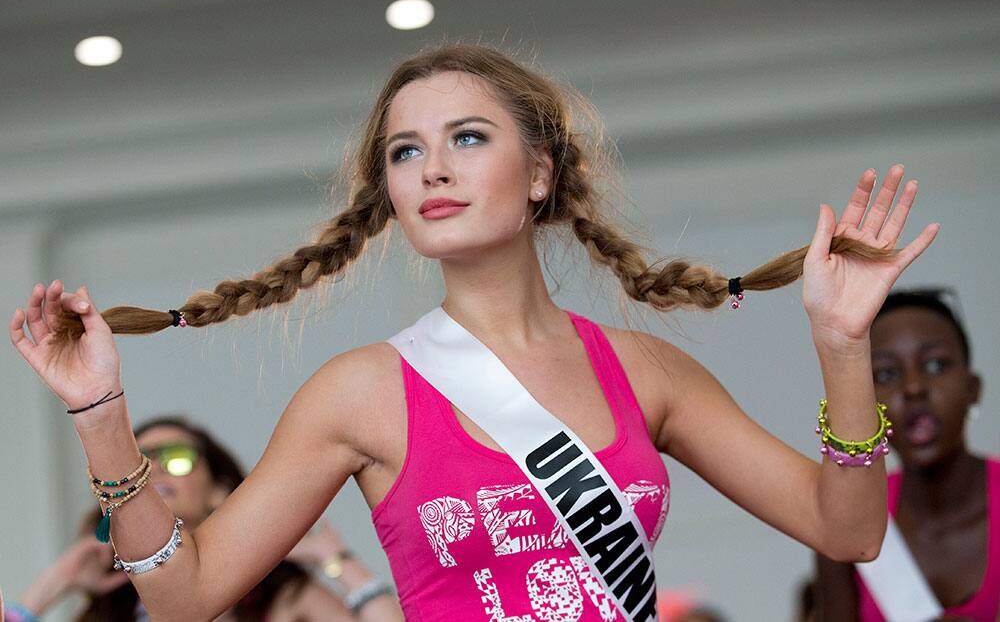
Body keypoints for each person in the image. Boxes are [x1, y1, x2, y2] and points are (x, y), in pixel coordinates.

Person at [8, 44, 939, 621]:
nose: (431, 170)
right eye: (404, 152)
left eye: (467, 138)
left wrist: (841, 343)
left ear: (540, 173)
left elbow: (846, 528)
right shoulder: (362, 392)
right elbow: (184, 598)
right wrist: (98, 411)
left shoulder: (644, 370)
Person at [5, 417, 401, 621]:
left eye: (176, 459)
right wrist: (58, 580)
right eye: (139, 464)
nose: (153, 473)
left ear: (219, 489)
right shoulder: (114, 609)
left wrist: (335, 560)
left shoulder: (278, 596)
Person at [814, 289, 999, 621]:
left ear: (973, 388)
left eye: (934, 365)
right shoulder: (845, 517)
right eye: (886, 373)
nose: (913, 387)